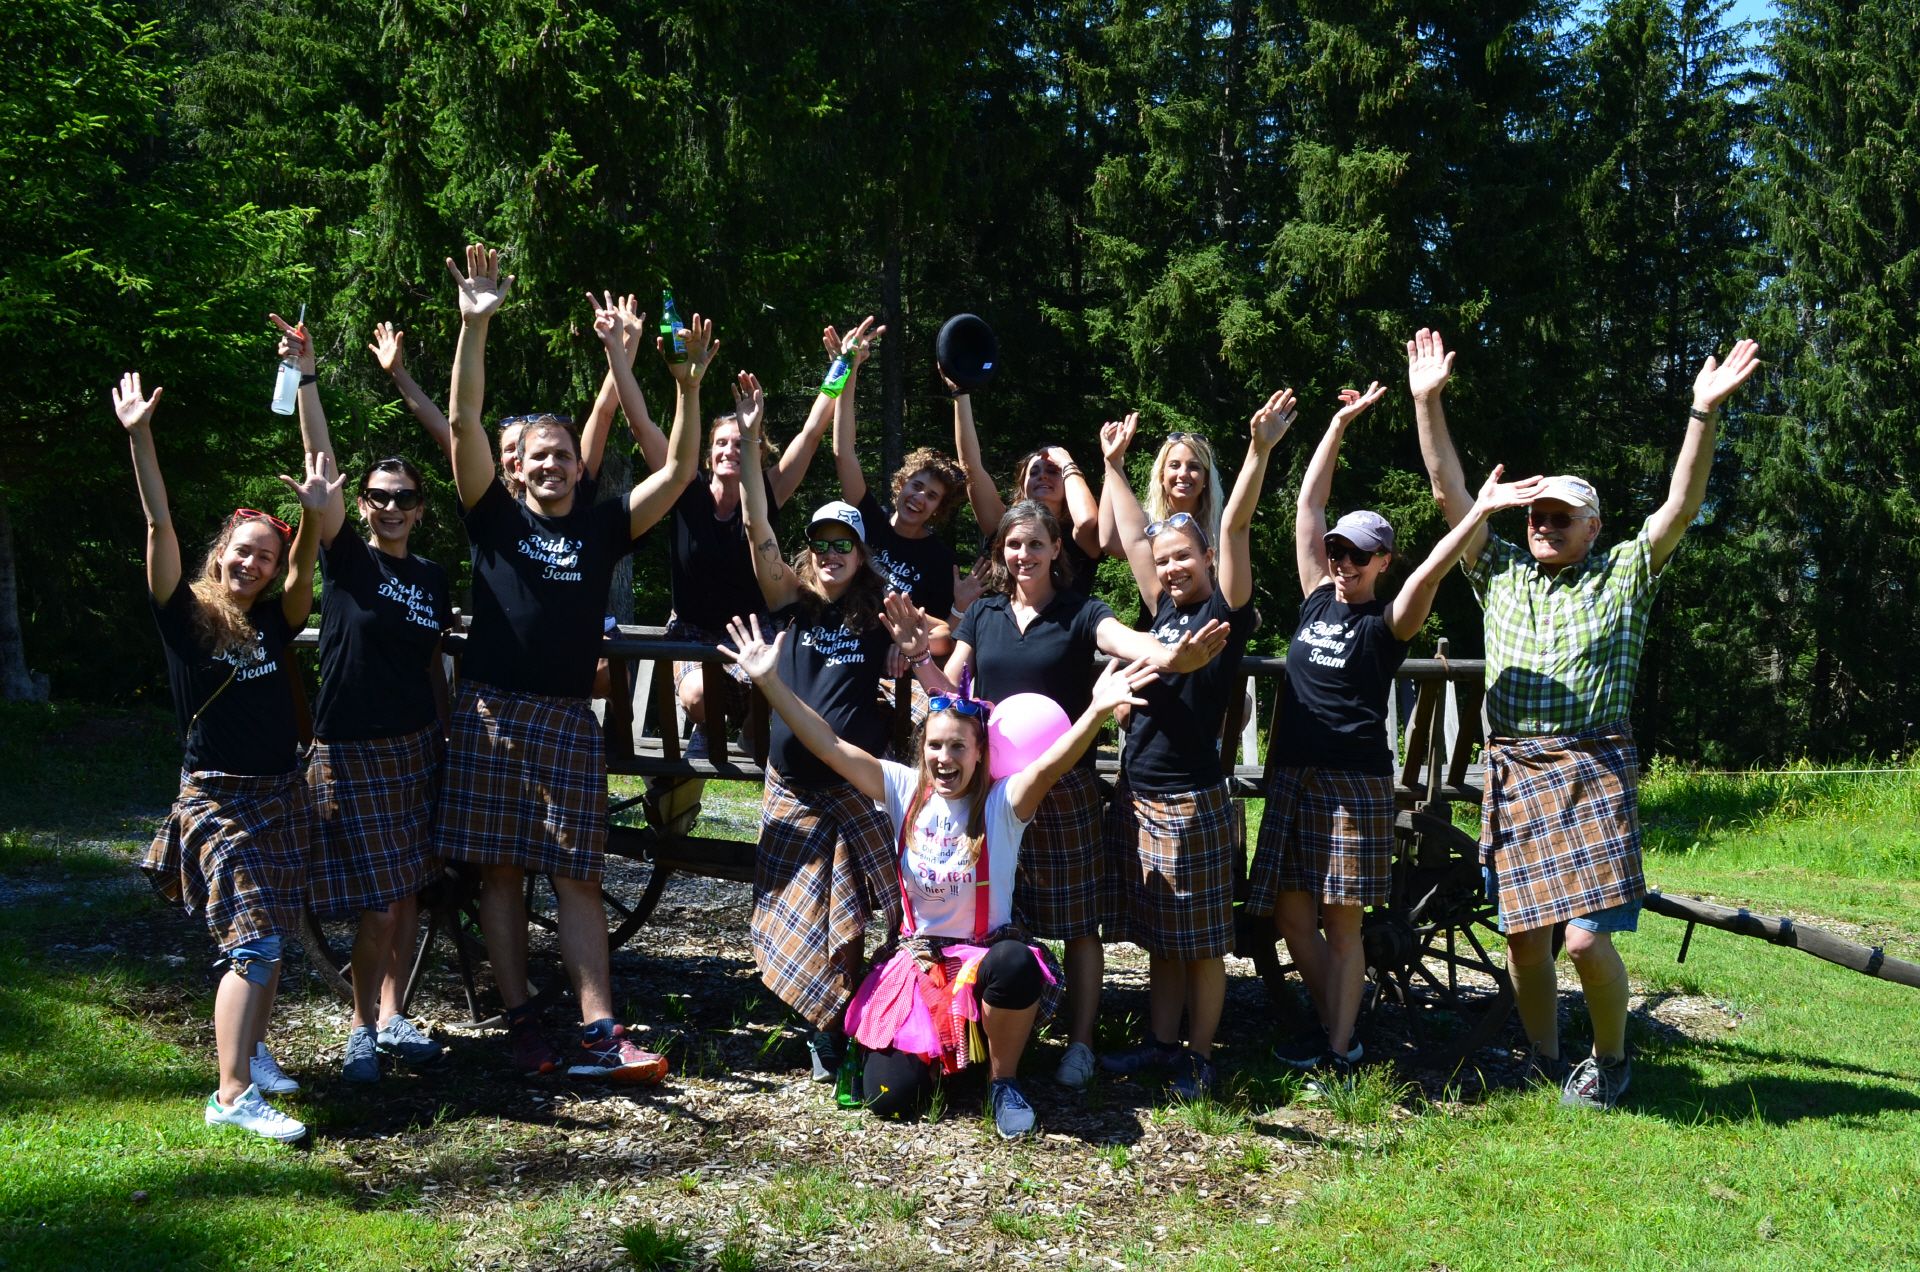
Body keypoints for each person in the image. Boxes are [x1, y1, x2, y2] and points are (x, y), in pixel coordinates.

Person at [1407, 327, 1761, 1109]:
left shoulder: (1624, 574)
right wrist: (1429, 402)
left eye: (1562, 515)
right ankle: (1541, 1059)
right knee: (1525, 940)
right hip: (1517, 770)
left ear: (1593, 527)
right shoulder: (1498, 571)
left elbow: (1682, 503)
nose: (1543, 522)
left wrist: (1700, 414)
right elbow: (1449, 497)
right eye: (1537, 512)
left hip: (1594, 768)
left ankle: (1611, 1062)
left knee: (1583, 937)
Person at [721, 615, 1160, 1137]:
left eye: (958, 747)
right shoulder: (903, 789)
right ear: (921, 749)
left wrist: (1094, 711)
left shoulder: (1003, 802)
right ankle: (943, 1055)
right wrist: (771, 682)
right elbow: (829, 746)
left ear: (980, 753)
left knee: (1017, 963)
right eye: (935, 746)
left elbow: (1050, 767)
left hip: (983, 962)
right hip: (919, 964)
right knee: (890, 1100)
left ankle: (1003, 1079)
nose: (944, 758)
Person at [434, 244, 706, 1080]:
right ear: (515, 470)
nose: (550, 464)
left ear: (579, 466)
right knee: (503, 873)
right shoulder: (491, 515)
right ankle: (522, 1023)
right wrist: (474, 328)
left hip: (562, 717)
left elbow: (681, 469)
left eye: (563, 455)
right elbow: (464, 420)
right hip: (488, 710)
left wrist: (686, 386)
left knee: (579, 874)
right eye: (537, 457)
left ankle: (598, 1031)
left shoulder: (603, 525)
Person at [1250, 379, 1543, 1087]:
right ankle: (1338, 1029)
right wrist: (1339, 423)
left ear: (1383, 561)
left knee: (1343, 926)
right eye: (1338, 552)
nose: (1343, 563)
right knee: (1292, 918)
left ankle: (1343, 1048)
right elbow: (1307, 506)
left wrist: (1479, 513)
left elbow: (1437, 569)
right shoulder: (1318, 598)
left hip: (1353, 786)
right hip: (1294, 777)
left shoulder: (1388, 624)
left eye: (1358, 556)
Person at [886, 501, 1230, 1090]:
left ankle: (1080, 1043)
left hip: (1064, 786)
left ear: (1055, 552)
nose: (1024, 556)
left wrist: (1171, 657)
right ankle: (988, 1037)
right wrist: (920, 658)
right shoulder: (983, 615)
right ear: (1002, 553)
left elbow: (1127, 641)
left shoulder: (1081, 611)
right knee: (993, 919)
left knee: (1079, 920)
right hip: (996, 791)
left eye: (1036, 545)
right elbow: (951, 700)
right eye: (1013, 545)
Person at [118, 366, 337, 1143]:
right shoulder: (183, 615)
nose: (252, 565)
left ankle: (254, 1048)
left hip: (281, 792)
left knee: (275, 926)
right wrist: (141, 436)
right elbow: (158, 527)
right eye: (243, 553)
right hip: (216, 796)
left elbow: (309, 567)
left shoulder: (275, 623)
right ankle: (232, 1093)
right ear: (221, 552)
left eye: (264, 559)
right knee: (254, 939)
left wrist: (310, 520)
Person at [271, 314, 451, 1084]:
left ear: (418, 507)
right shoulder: (349, 559)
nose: (386, 506)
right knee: (380, 904)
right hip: (350, 749)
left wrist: (445, 737)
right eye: (376, 496)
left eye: (401, 497)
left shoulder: (434, 580)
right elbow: (322, 465)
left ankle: (395, 1013)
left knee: (406, 894)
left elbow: (435, 665)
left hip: (414, 746)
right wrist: (307, 377)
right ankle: (359, 1029)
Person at [1092, 396, 1283, 1097]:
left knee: (1202, 943)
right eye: (1165, 563)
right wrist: (1112, 465)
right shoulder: (1163, 611)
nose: (1171, 569)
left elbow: (1235, 523)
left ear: (1207, 556)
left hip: (1194, 797)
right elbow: (1139, 537)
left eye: (1183, 559)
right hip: (1140, 789)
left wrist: (1259, 452)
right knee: (1160, 938)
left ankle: (1199, 1059)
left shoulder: (1222, 610)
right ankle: (1159, 1044)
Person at [733, 370, 901, 1079]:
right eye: (822, 544)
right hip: (793, 788)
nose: (831, 555)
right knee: (797, 917)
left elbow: (936, 649)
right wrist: (747, 447)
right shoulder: (789, 601)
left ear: (862, 554)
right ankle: (821, 1026)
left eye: (845, 545)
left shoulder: (878, 616)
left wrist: (915, 651)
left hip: (850, 789)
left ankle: (850, 1022)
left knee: (853, 916)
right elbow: (755, 529)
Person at [625, 318, 840, 757]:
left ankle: (743, 737)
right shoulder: (683, 489)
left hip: (753, 632)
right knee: (699, 697)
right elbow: (641, 425)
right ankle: (710, 729)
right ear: (707, 454)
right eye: (720, 444)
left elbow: (813, 431)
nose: (730, 451)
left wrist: (843, 367)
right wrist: (620, 353)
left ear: (757, 449)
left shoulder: (771, 489)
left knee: (776, 694)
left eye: (740, 443)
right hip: (690, 630)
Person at [368, 296, 640, 499]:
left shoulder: (572, 488)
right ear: (502, 460)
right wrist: (397, 372)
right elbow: (446, 428)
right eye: (511, 449)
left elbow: (603, 412)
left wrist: (627, 342)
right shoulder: (489, 498)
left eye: (527, 446)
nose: (519, 452)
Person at [829, 317, 968, 640]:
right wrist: (849, 371)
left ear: (939, 508)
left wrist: (907, 644)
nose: (919, 497)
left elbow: (945, 633)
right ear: (900, 484)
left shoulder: (939, 560)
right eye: (916, 486)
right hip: (848, 649)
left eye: (932, 495)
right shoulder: (867, 523)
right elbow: (843, 453)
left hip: (900, 671)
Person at [947, 372, 1102, 596]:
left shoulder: (1080, 539)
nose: (1043, 476)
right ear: (1023, 486)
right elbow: (971, 467)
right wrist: (960, 393)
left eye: (1052, 470)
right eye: (1035, 472)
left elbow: (1087, 520)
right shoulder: (1004, 527)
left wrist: (1066, 462)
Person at [1096, 424, 1226, 566]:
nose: (1183, 474)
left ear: (1206, 479)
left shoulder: (1220, 531)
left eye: (1194, 467)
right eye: (1175, 465)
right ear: (1161, 476)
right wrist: (1111, 463)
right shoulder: (1148, 526)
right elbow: (1109, 542)